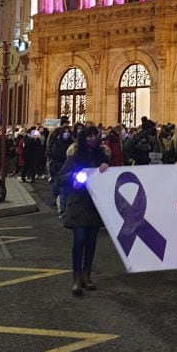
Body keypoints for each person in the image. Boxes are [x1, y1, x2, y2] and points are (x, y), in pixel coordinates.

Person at [62, 125, 110, 295]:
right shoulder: (75, 155)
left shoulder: (101, 155)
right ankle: (76, 278)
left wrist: (106, 166)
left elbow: (110, 177)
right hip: (78, 202)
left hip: (95, 205)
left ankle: (86, 275)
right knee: (79, 238)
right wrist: (73, 178)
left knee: (91, 242)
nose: (91, 139)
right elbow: (61, 176)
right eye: (88, 136)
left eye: (94, 136)